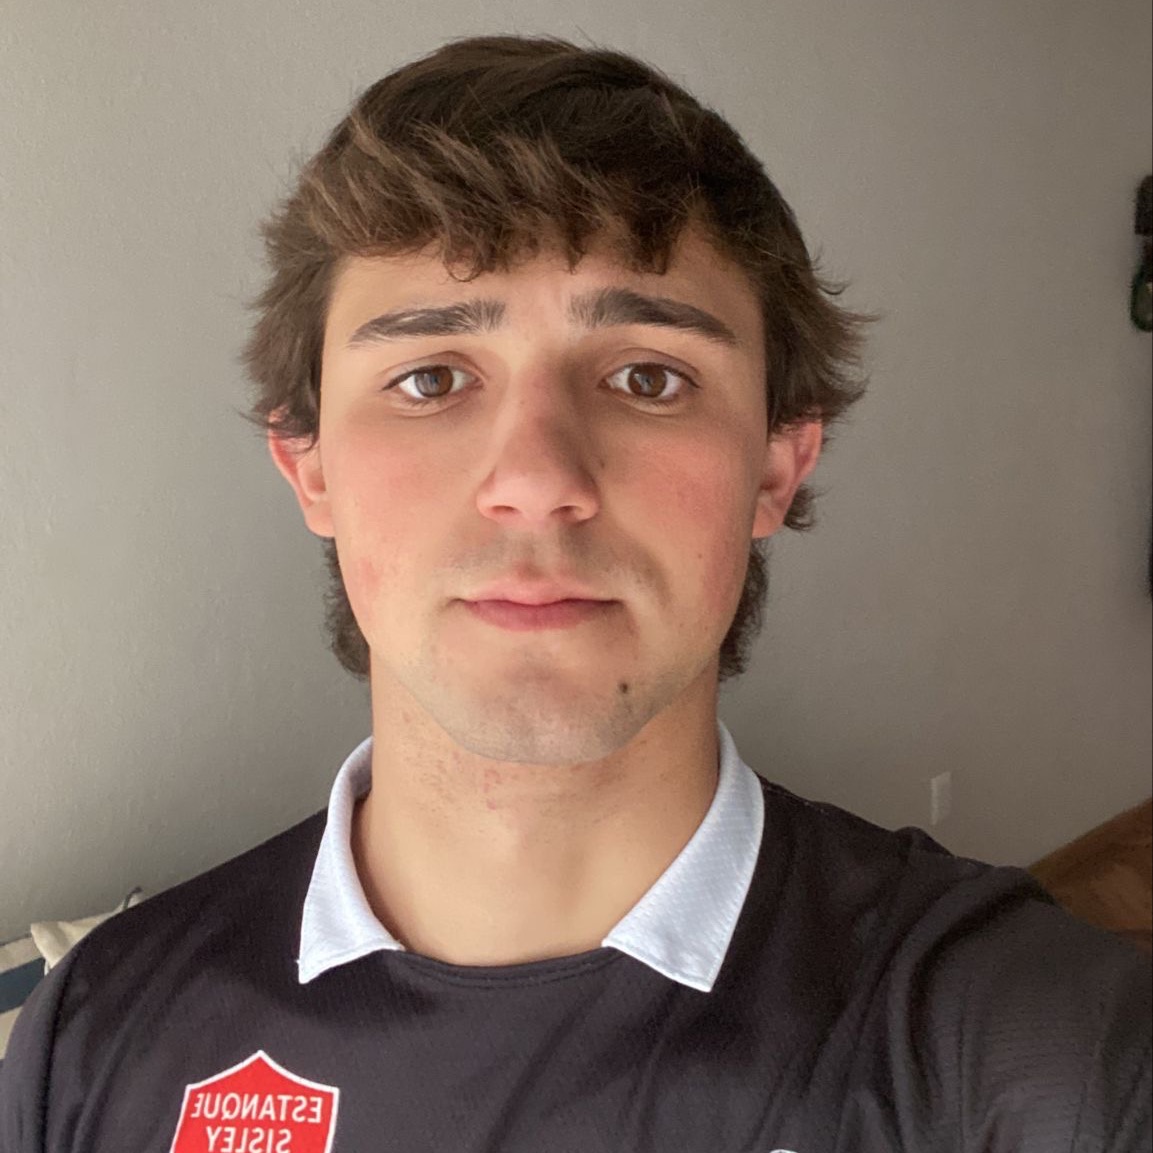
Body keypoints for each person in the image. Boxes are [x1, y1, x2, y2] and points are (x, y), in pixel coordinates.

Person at [1, 34, 1149, 1153]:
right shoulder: (94, 1032)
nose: (538, 479)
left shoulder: (1047, 1048)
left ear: (775, 465)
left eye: (648, 376)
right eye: (429, 377)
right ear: (310, 466)